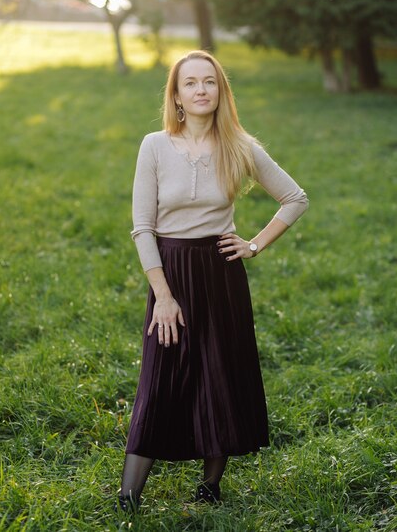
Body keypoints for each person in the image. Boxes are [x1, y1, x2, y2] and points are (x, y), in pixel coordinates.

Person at [116, 50, 308, 513]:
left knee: (220, 372)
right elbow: (143, 226)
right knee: (161, 376)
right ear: (177, 95)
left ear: (221, 91)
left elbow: (295, 198)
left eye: (210, 82)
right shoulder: (155, 145)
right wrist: (162, 295)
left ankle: (210, 485)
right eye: (190, 83)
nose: (201, 90)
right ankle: (127, 496)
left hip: (221, 272)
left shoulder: (239, 146)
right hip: (172, 271)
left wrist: (255, 244)